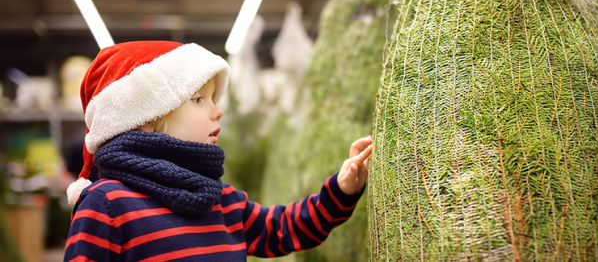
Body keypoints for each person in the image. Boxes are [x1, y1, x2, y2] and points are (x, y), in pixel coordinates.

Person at [62, 41, 372, 261]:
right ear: (146, 119)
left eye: (214, 98)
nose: (217, 111)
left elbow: (281, 230)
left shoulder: (219, 199)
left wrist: (340, 193)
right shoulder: (107, 205)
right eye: (199, 100)